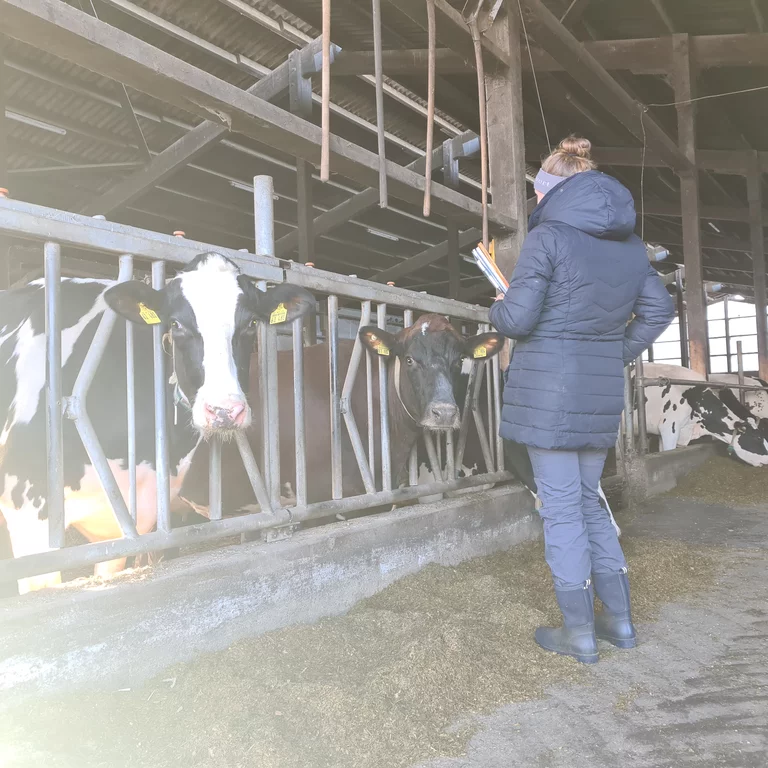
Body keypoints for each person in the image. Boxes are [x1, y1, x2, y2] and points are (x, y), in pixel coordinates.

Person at [489, 136, 675, 664]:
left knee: (563, 511)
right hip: (597, 394)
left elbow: (517, 319)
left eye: (538, 189)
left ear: (551, 189)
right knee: (590, 502)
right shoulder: (632, 247)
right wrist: (613, 351)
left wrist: (498, 305)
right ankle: (620, 622)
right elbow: (660, 312)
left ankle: (580, 635)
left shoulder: (548, 237)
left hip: (548, 394)